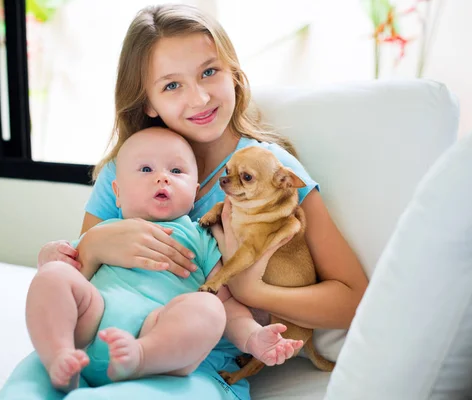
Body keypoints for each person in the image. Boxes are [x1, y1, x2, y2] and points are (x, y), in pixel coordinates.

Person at [0, 4, 368, 400]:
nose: (200, 97)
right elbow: (82, 283)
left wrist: (253, 292)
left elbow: (353, 298)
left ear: (236, 76)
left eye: (210, 72)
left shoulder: (269, 169)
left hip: (192, 365)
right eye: (172, 85)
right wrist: (91, 245)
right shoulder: (124, 168)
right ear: (148, 102)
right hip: (93, 342)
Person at [27, 127, 303, 392]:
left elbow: (228, 306)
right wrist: (50, 256)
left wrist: (253, 337)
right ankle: (59, 353)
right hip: (90, 326)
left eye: (176, 171)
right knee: (53, 275)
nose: (162, 178)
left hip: (158, 334)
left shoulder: (201, 239)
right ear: (118, 193)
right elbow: (71, 271)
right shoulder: (105, 232)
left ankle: (141, 356)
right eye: (146, 170)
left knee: (208, 306)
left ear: (195, 193)